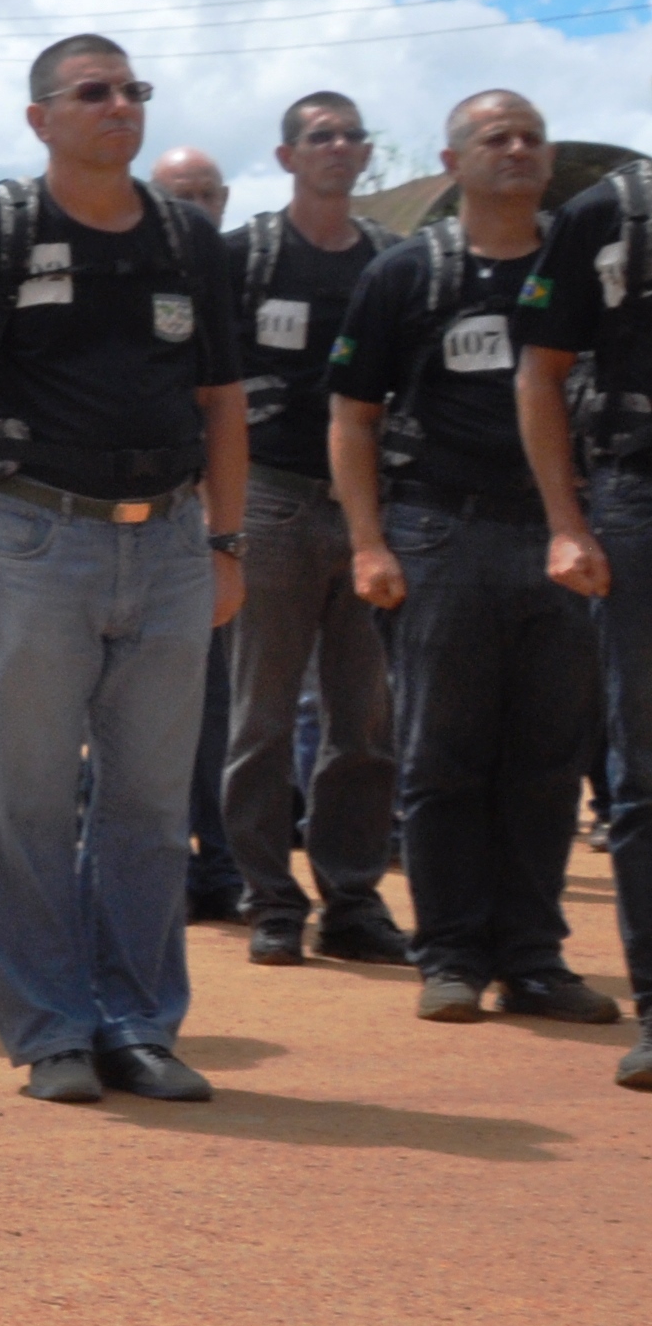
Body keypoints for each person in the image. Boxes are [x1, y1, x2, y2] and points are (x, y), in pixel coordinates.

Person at [0, 35, 243, 1106]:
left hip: (171, 543)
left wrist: (225, 541)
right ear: (39, 116)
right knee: (31, 797)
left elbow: (223, 402)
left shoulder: (187, 241)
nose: (119, 107)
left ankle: (138, 1024)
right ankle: (51, 1028)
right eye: (92, 93)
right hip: (34, 539)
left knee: (147, 802)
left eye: (132, 90)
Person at [332, 93, 613, 1026]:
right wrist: (369, 543)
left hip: (561, 540)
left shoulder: (586, 275)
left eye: (533, 136)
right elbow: (353, 417)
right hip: (439, 534)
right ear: (454, 163)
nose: (522, 150)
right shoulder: (407, 275)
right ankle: (449, 955)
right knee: (443, 756)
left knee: (548, 757)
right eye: (498, 138)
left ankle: (534, 958)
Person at [222, 94, 410, 967]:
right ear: (287, 155)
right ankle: (268, 898)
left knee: (364, 718)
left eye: (350, 136)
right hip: (270, 499)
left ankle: (354, 897)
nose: (339, 148)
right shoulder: (247, 258)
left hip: (367, 513)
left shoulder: (392, 264)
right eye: (320, 137)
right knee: (261, 714)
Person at [520, 130, 652, 1086]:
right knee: (644, 762)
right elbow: (540, 373)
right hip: (636, 492)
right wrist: (567, 521)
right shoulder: (609, 213)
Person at [148, 146, 247, 920]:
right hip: (136, 525)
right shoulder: (128, 277)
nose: (195, 209)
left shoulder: (234, 277)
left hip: (215, 528)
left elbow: (228, 412)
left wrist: (226, 538)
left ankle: (220, 866)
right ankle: (149, 863)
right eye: (179, 196)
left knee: (215, 707)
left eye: (207, 196)